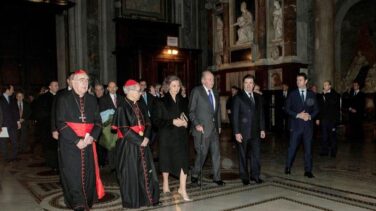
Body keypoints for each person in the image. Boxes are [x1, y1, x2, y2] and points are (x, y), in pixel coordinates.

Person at [56, 70, 104, 211]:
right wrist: (77, 140)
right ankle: (77, 202)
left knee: (88, 172)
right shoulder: (64, 99)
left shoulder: (92, 99)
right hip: (70, 143)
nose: (85, 82)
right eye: (81, 79)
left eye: (86, 80)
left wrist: (92, 137)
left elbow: (98, 122)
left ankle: (87, 200)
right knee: (72, 173)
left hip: (88, 142)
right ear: (73, 82)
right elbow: (61, 123)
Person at [111, 79, 160, 208]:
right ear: (131, 91)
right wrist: (140, 141)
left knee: (146, 172)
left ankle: (148, 198)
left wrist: (147, 138)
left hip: (143, 143)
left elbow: (148, 123)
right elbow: (124, 130)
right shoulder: (122, 107)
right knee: (131, 174)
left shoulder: (140, 105)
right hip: (128, 146)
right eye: (139, 90)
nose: (141, 92)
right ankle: (133, 201)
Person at [153, 75, 191, 201]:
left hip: (181, 136)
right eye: (174, 86)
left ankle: (182, 189)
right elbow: (156, 121)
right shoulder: (161, 101)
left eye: (178, 85)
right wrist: (172, 122)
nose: (176, 88)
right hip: (167, 136)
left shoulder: (183, 100)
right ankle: (165, 183)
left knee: (183, 162)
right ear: (168, 86)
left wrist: (187, 123)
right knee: (166, 160)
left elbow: (187, 117)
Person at [189, 70, 225, 186]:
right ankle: (194, 174)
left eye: (213, 79)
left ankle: (217, 177)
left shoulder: (215, 92)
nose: (212, 82)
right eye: (209, 79)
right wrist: (196, 124)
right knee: (202, 155)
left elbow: (217, 111)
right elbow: (191, 111)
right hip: (202, 130)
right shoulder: (197, 91)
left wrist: (219, 125)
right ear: (203, 80)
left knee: (216, 154)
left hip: (214, 129)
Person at [232, 75, 266, 185]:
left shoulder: (258, 97)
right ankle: (244, 176)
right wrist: (236, 132)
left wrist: (262, 129)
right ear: (243, 84)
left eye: (251, 82)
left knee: (256, 155)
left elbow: (261, 114)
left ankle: (255, 176)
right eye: (246, 82)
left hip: (256, 132)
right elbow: (235, 116)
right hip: (243, 132)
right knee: (243, 155)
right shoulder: (238, 97)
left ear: (254, 84)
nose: (248, 85)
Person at [284, 73, 319, 178]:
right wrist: (298, 115)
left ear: (306, 81)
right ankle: (288, 167)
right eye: (297, 80)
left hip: (308, 127)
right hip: (296, 126)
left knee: (308, 149)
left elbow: (317, 109)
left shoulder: (311, 94)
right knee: (292, 148)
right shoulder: (292, 94)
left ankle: (308, 170)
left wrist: (310, 116)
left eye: (300, 80)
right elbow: (287, 109)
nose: (298, 82)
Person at [99, 81, 125, 169]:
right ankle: (112, 165)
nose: (112, 89)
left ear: (117, 88)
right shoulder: (103, 99)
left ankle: (119, 164)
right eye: (110, 87)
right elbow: (102, 113)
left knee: (120, 145)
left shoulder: (122, 98)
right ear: (108, 88)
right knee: (111, 145)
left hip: (120, 125)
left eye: (114, 87)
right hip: (109, 126)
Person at [35, 81, 59, 170]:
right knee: (49, 146)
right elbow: (41, 112)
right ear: (50, 87)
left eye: (57, 85)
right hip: (47, 126)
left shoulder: (59, 96)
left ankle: (56, 163)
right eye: (55, 85)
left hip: (57, 125)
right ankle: (52, 164)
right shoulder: (44, 98)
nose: (57, 87)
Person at [316, 81, 340, 157]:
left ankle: (333, 151)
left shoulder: (335, 94)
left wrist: (326, 95)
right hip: (324, 119)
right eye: (323, 85)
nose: (324, 87)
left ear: (330, 86)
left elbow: (333, 102)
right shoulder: (321, 95)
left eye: (326, 85)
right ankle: (324, 151)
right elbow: (319, 107)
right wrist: (318, 118)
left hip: (332, 119)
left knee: (332, 136)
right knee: (324, 135)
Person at [0, 85, 19, 162]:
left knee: (15, 141)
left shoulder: (13, 99)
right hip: (3, 125)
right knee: (3, 142)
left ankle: (14, 156)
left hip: (13, 124)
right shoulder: (0, 99)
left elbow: (15, 111)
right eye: (12, 89)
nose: (13, 91)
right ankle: (6, 157)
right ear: (7, 90)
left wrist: (18, 121)